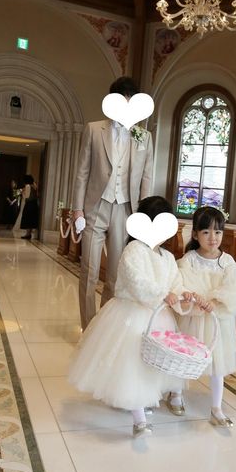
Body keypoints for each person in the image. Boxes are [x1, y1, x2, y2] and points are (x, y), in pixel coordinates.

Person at [67, 196, 185, 437]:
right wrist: (162, 294)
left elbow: (176, 281)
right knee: (131, 359)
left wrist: (180, 294)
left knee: (152, 359)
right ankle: (138, 416)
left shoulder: (168, 257)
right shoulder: (133, 250)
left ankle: (146, 396)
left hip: (159, 315)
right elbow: (135, 280)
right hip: (131, 312)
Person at [72, 76, 154, 329]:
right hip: (95, 207)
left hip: (126, 210)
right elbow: (82, 172)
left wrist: (144, 215)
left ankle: (103, 328)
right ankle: (87, 326)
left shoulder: (144, 137)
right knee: (89, 270)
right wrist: (77, 210)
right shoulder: (94, 129)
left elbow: (147, 178)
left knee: (116, 276)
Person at [166, 206, 236, 428]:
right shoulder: (189, 260)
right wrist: (194, 297)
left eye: (218, 232)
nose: (213, 238)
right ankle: (176, 393)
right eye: (206, 232)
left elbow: (235, 291)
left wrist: (215, 302)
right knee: (185, 356)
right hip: (192, 318)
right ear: (195, 234)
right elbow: (181, 284)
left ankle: (216, 407)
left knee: (217, 362)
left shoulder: (227, 262)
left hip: (217, 321)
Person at [20, 174, 39, 240]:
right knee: (31, 219)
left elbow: (27, 197)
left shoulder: (28, 186)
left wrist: (22, 192)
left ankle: (27, 234)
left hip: (29, 204)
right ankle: (29, 233)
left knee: (27, 218)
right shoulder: (34, 185)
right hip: (34, 204)